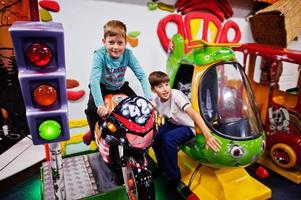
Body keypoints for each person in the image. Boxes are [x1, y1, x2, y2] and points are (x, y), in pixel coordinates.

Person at [148, 71, 221, 198]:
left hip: (188, 125)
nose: (165, 89)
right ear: (153, 90)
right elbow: (151, 110)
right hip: (175, 123)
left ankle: (174, 176)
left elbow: (193, 113)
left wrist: (207, 134)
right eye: (160, 86)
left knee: (168, 139)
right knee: (156, 136)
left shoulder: (176, 95)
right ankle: (162, 166)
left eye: (166, 84)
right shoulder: (156, 101)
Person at [83, 20, 152, 145]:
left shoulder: (128, 54)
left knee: (137, 106)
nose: (116, 47)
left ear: (126, 43)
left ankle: (134, 136)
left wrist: (149, 98)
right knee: (91, 110)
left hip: (120, 86)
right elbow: (94, 81)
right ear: (104, 42)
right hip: (102, 86)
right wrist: (100, 105)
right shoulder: (99, 55)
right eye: (111, 42)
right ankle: (92, 131)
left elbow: (141, 75)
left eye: (120, 43)